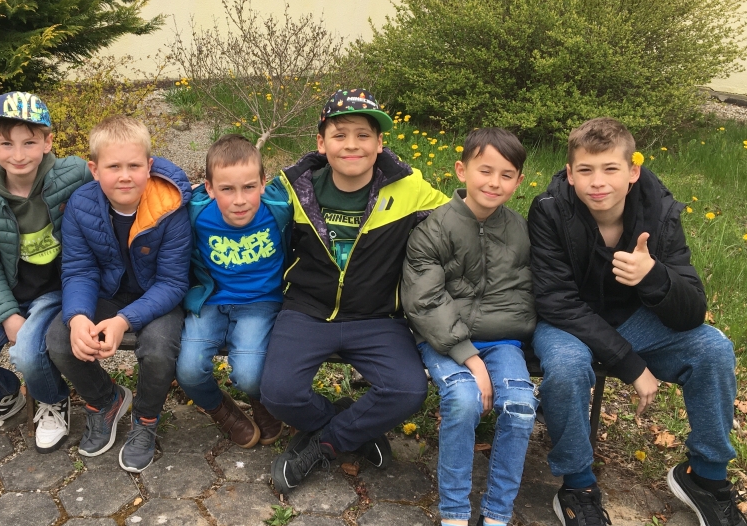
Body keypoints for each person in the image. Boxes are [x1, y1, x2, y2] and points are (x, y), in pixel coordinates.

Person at [529, 117, 747, 526]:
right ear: (570, 173)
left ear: (632, 171)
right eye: (586, 170)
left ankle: (706, 477)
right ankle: (577, 487)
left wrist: (654, 277)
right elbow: (555, 301)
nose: (598, 182)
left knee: (712, 348)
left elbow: (692, 311)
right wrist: (630, 364)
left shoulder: (660, 212)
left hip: (635, 319)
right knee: (568, 366)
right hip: (567, 323)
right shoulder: (550, 209)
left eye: (610, 169)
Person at [259, 88, 449, 493]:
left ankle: (325, 443)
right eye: (340, 135)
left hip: (377, 316)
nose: (351, 145)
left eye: (363, 135)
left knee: (407, 390)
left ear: (380, 144)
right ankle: (350, 424)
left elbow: (460, 221)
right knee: (278, 393)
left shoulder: (409, 188)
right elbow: (239, 206)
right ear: (321, 143)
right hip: (308, 310)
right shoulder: (293, 187)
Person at [402, 128, 536, 526]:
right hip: (443, 341)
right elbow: (424, 300)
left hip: (503, 342)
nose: (494, 182)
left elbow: (526, 293)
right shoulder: (434, 228)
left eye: (506, 174)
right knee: (462, 400)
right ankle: (454, 523)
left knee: (521, 406)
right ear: (462, 170)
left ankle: (494, 524)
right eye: (485, 170)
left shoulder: (519, 229)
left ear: (518, 181)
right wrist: (469, 357)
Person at [45, 115, 191, 473]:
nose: (125, 176)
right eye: (114, 167)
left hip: (159, 298)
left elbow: (173, 282)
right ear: (95, 170)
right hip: (106, 295)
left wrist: (124, 320)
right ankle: (106, 401)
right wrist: (78, 316)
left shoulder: (170, 206)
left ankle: (146, 419)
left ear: (149, 167)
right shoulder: (81, 205)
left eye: (134, 166)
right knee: (60, 340)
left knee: (158, 349)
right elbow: (79, 270)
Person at [0, 91, 92, 452]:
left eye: (29, 142)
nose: (19, 154)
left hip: (56, 289)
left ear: (47, 142)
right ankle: (3, 397)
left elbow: (123, 167)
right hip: (7, 289)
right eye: (6, 144)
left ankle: (53, 400)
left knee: (27, 353)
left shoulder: (74, 174)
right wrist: (7, 315)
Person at [176, 135, 291, 447]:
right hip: (211, 301)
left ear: (263, 183)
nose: (240, 200)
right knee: (188, 372)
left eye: (249, 187)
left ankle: (259, 399)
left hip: (261, 303)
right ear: (209, 188)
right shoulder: (197, 212)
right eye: (227, 189)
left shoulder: (279, 209)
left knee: (251, 375)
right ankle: (220, 408)